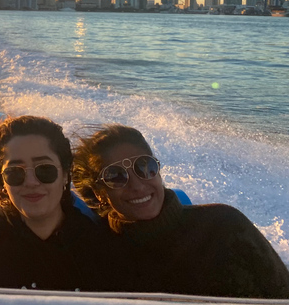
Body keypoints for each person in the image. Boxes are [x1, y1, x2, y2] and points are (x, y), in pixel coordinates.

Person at [71, 124, 289, 298]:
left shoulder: (224, 225)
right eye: (115, 176)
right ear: (99, 192)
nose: (137, 185)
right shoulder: (97, 251)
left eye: (145, 167)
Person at [0, 116, 110, 291]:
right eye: (15, 172)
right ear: (2, 182)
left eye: (45, 169)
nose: (31, 182)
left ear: (65, 174)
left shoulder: (104, 251)